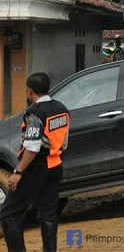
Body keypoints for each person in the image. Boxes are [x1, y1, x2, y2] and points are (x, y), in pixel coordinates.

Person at [1, 72, 70, 252]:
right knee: (48, 214)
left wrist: (18, 172)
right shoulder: (61, 108)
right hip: (55, 167)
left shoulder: (34, 113)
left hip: (35, 170)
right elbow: (64, 141)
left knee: (8, 213)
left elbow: (32, 147)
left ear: (29, 91)